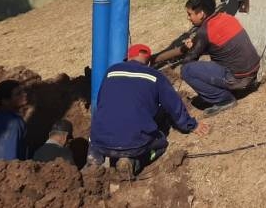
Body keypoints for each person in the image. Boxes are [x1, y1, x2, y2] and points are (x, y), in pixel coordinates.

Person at [88, 43, 208, 179]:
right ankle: (135, 162)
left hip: (99, 140)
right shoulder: (155, 76)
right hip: (133, 145)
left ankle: (94, 159)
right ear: (150, 63)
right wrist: (191, 125)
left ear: (127, 58)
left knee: (100, 134)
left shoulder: (111, 71)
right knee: (161, 143)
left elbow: (101, 102)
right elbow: (174, 106)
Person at [153, 0, 260, 116]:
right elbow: (218, 46)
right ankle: (239, 87)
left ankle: (224, 100)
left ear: (201, 14)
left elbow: (189, 60)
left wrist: (191, 49)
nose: (188, 18)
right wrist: (196, 45)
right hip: (253, 70)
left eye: (190, 14)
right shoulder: (226, 18)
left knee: (187, 71)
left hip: (239, 77)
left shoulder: (205, 32)